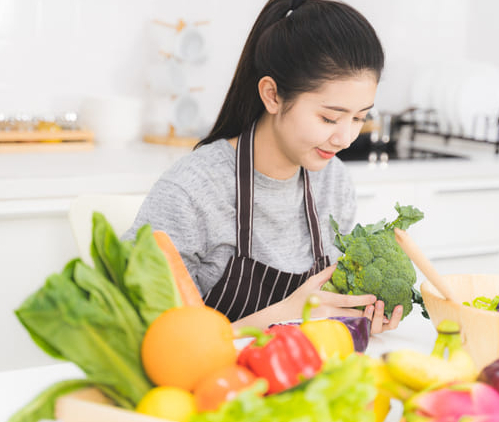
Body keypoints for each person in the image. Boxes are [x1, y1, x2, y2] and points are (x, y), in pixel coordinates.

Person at [123, 0, 403, 333]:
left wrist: (354, 318)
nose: (345, 138)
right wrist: (285, 314)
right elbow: (156, 342)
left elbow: (322, 318)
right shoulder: (192, 191)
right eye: (329, 117)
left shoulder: (333, 181)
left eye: (360, 117)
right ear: (272, 95)